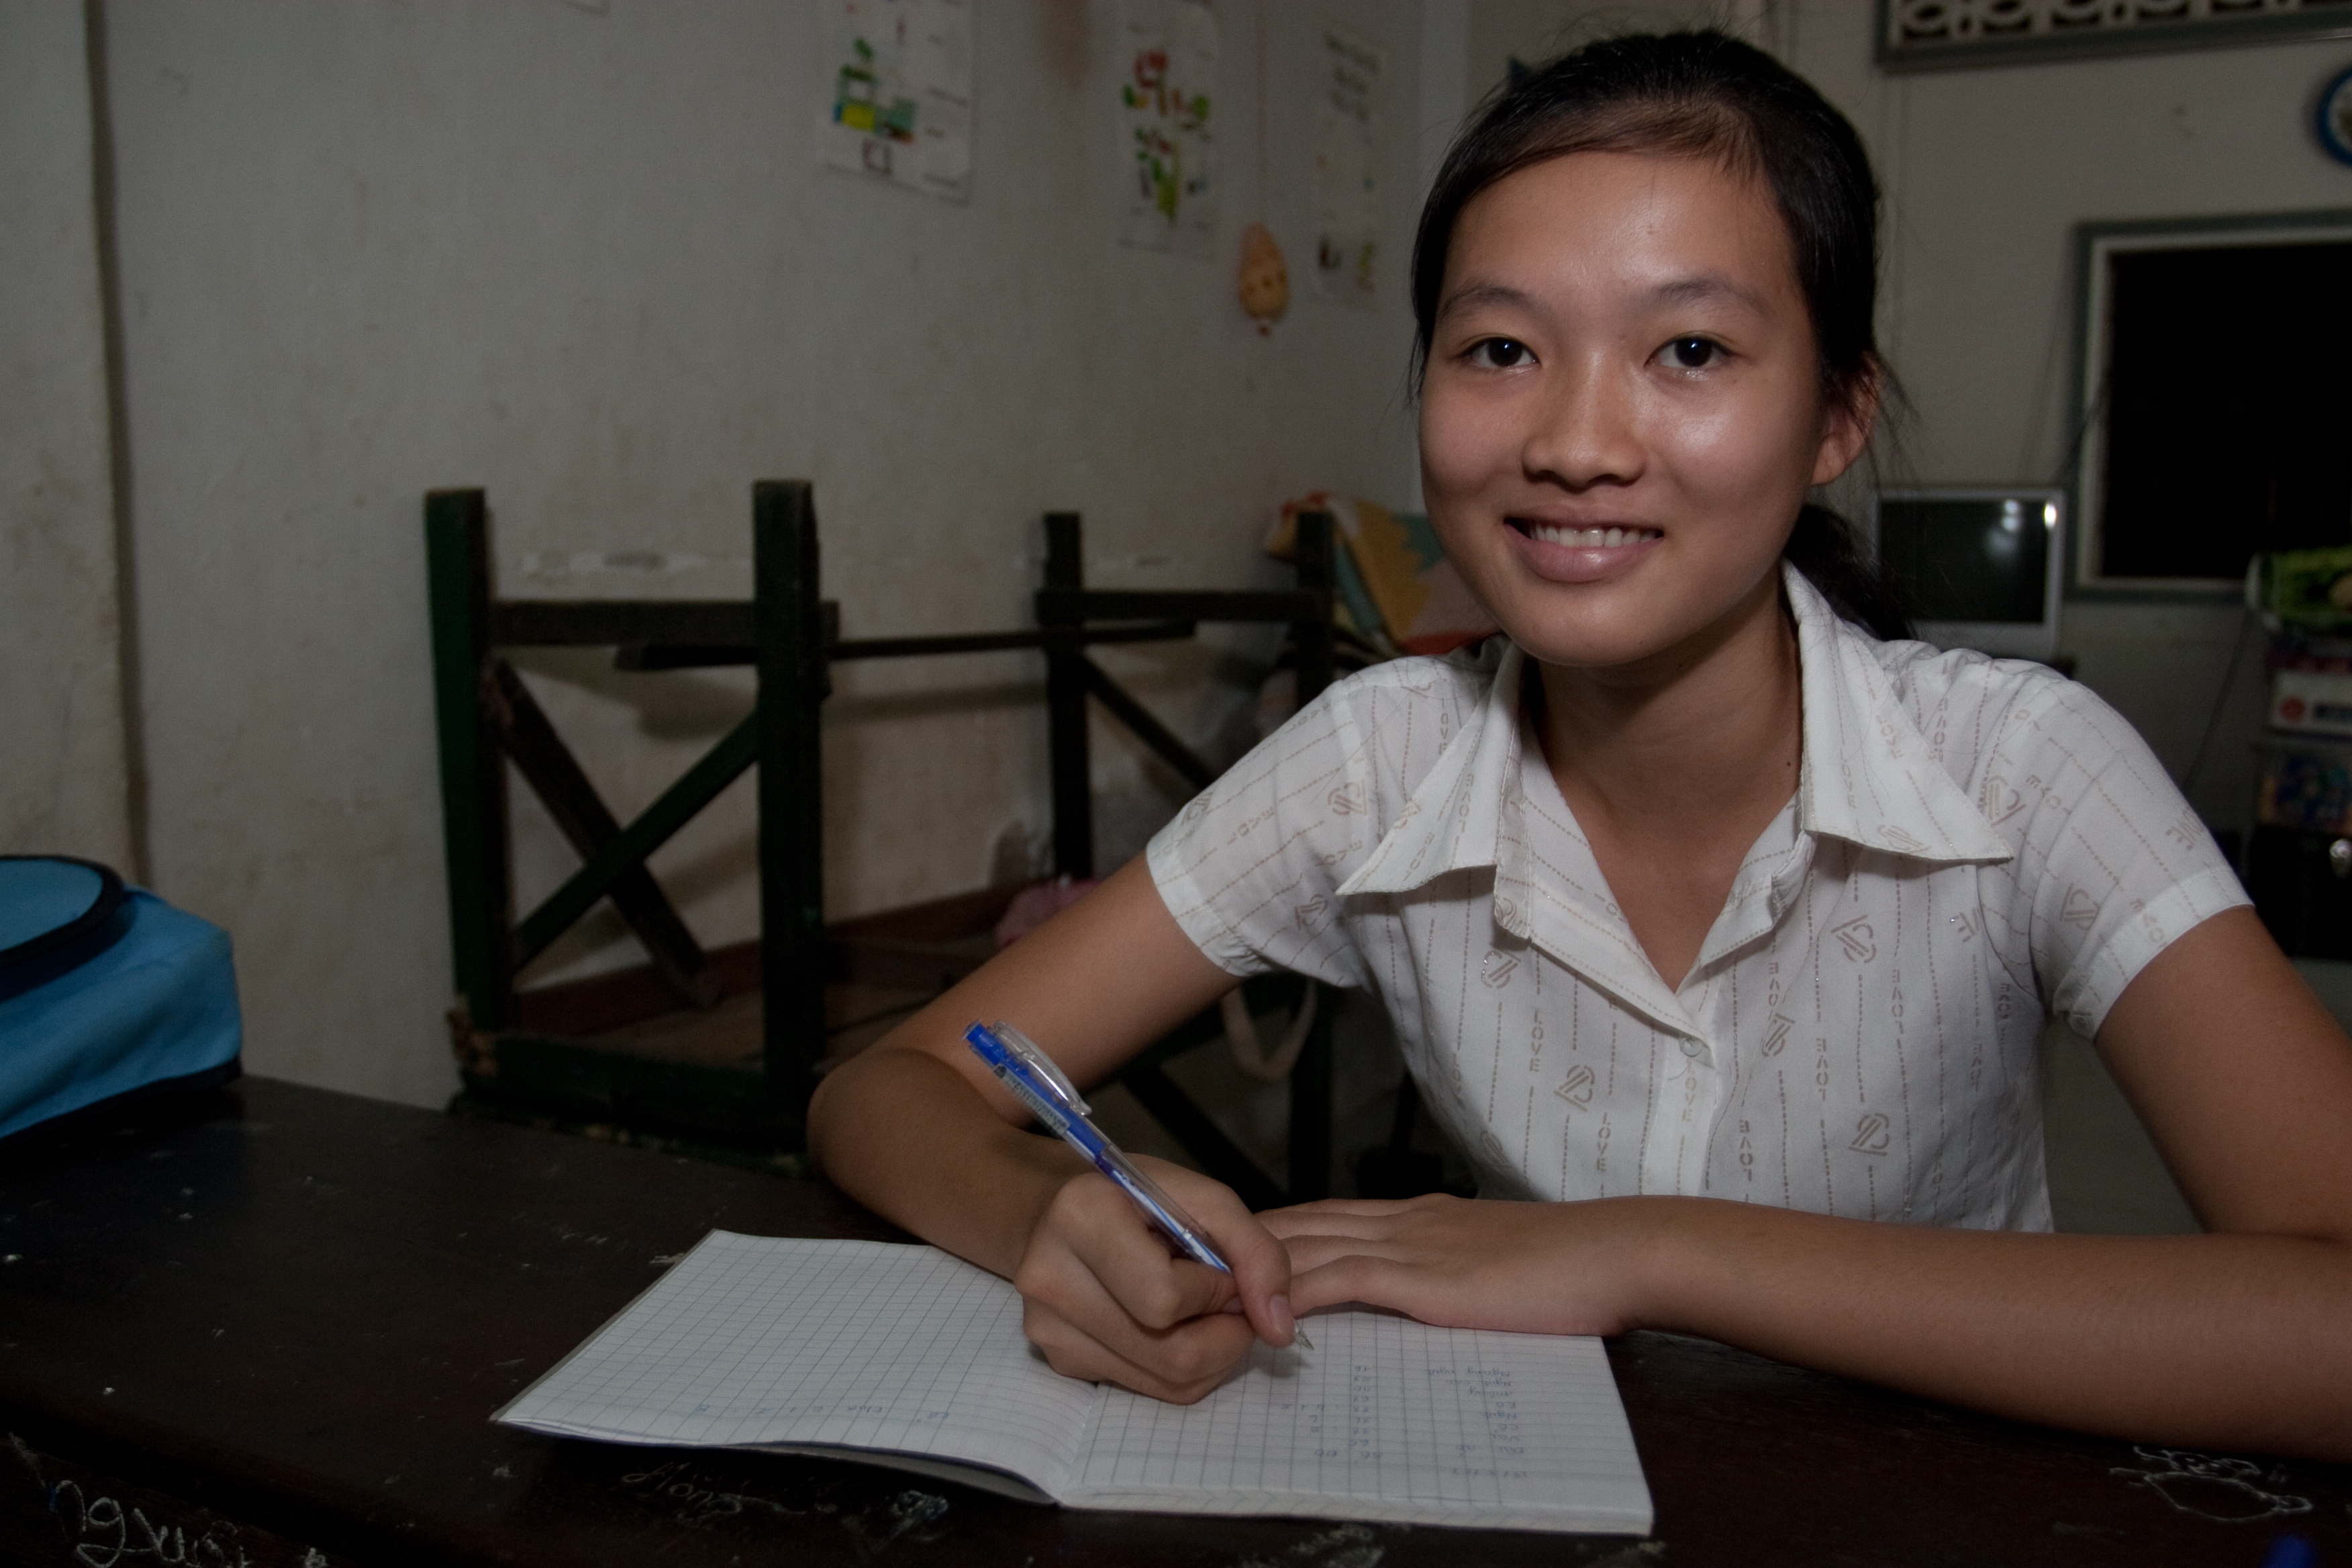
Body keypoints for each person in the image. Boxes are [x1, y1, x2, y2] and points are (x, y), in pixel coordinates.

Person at [809, 30, 2352, 1460]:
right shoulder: (1381, 758)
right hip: (1539, 1474)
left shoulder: (2023, 764)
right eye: (1499, 350)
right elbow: (885, 1090)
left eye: (1688, 351)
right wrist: (1050, 1214)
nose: (1574, 441)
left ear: (1836, 417)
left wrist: (1650, 1247)